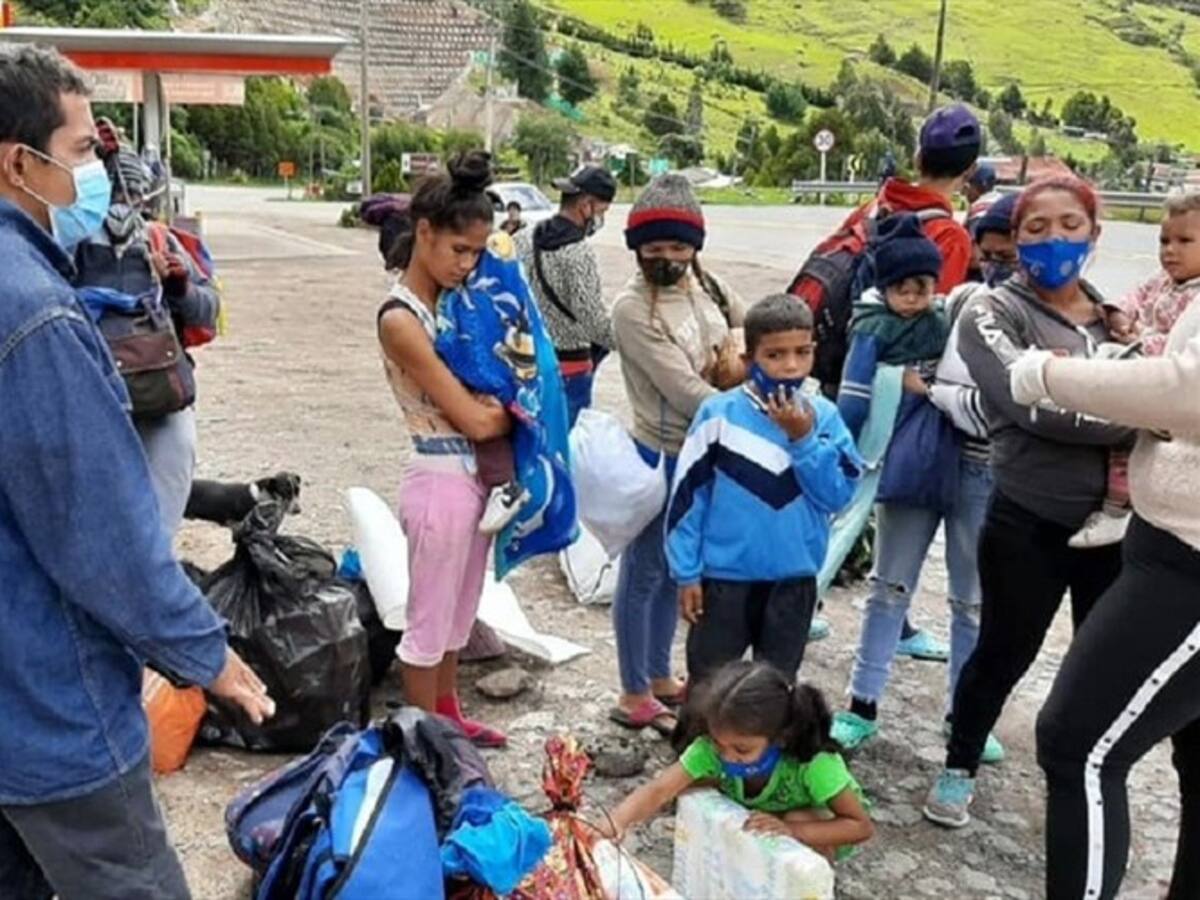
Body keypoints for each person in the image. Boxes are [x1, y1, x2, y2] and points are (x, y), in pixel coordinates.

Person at [0, 44, 272, 900]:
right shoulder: (34, 314)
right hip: (47, 707)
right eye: (80, 152)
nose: (93, 174)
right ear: (20, 161)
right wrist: (206, 656)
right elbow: (99, 532)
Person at [923, 175, 1136, 828]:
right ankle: (959, 764)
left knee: (1105, 661)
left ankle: (1086, 773)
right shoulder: (991, 311)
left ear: (1094, 235)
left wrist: (1140, 402)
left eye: (1070, 225)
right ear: (1014, 240)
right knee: (1004, 651)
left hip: (1120, 530)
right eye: (1035, 228)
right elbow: (1027, 404)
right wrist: (1138, 415)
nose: (1053, 240)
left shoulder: (1116, 318)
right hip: (1028, 520)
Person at [1007, 277, 1200, 900]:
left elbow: (1189, 390)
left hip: (1190, 567)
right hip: (1167, 540)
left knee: (1077, 747)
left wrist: (1047, 374)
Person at [830, 201, 1018, 763]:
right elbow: (857, 393)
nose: (999, 263)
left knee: (972, 601)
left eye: (1008, 254)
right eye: (989, 253)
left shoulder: (1050, 315)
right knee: (889, 586)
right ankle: (861, 703)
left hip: (982, 468)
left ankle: (967, 716)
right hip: (915, 460)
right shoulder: (951, 308)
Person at [807, 104, 983, 654]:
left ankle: (833, 602)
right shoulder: (948, 236)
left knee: (844, 489)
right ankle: (809, 597)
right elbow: (933, 325)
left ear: (916, 156)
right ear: (970, 168)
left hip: (848, 361)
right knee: (872, 500)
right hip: (896, 389)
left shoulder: (878, 203)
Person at [376, 152, 513, 748]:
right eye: (458, 250)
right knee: (428, 620)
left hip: (474, 482)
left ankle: (449, 714)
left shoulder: (455, 306)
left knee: (460, 611)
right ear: (423, 233)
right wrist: (506, 408)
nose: (467, 264)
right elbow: (476, 421)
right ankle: (421, 735)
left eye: (478, 253)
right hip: (438, 476)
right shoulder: (402, 319)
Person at [609, 173, 747, 736]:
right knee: (643, 571)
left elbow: (747, 325)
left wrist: (741, 356)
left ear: (695, 247)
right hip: (661, 452)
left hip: (703, 451)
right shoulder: (631, 310)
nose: (666, 258)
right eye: (654, 248)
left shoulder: (707, 285)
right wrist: (748, 415)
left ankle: (661, 675)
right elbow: (683, 390)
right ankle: (632, 689)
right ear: (636, 248)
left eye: (677, 247)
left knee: (674, 571)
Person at [665, 295, 862, 687]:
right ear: (749, 358)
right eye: (775, 355)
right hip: (724, 579)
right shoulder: (719, 416)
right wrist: (686, 572)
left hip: (794, 578)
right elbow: (688, 498)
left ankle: (761, 750)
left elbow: (839, 495)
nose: (790, 365)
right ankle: (698, 748)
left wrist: (803, 440)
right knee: (710, 682)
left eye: (801, 352)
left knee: (775, 687)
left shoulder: (823, 418)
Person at [74, 140, 221, 535]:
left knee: (160, 512)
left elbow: (209, 309)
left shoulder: (161, 240)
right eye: (117, 193)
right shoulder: (63, 242)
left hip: (159, 399)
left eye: (132, 194)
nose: (123, 206)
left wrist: (178, 286)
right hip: (86, 398)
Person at [599, 661, 873, 863]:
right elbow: (658, 790)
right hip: (764, 814)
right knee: (689, 787)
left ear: (780, 737)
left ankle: (812, 878)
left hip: (817, 824)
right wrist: (613, 824)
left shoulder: (815, 764)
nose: (728, 756)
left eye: (742, 749)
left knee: (795, 816)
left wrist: (792, 831)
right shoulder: (712, 747)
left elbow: (859, 827)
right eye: (719, 744)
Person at [1067, 190, 1200, 550]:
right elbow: (1132, 299)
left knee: (1129, 445)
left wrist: (1140, 338)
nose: (1170, 250)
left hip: (1164, 382)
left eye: (1184, 241)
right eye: (1164, 240)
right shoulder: (1161, 280)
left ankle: (1116, 511)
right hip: (1139, 361)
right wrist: (1119, 316)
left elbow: (1180, 348)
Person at [515, 165, 617, 427]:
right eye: (601, 211)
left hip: (526, 362)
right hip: (568, 371)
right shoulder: (578, 253)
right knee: (565, 449)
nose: (600, 219)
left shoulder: (523, 238)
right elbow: (593, 323)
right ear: (586, 205)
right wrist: (627, 341)